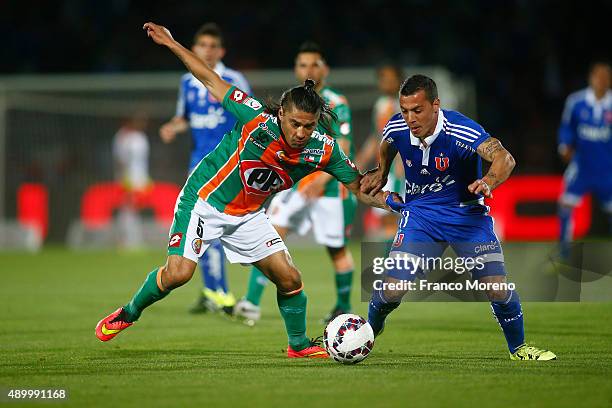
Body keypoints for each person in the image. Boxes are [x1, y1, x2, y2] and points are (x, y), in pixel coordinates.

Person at [95, 22, 395, 359]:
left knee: (290, 278)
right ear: (281, 113)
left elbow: (361, 189)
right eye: (294, 123)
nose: (300, 132)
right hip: (204, 200)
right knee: (179, 273)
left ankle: (297, 346)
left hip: (248, 215)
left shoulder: (323, 150)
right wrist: (172, 43)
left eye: (308, 126)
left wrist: (402, 204)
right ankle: (130, 312)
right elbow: (208, 77)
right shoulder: (254, 118)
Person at [361, 74, 557, 360]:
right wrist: (382, 170)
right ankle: (367, 334)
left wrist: (488, 180)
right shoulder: (396, 126)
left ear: (435, 105)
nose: (410, 118)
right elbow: (387, 143)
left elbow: (505, 158)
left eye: (417, 110)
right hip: (421, 217)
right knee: (393, 290)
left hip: (467, 217)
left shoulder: (460, 130)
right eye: (405, 111)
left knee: (497, 289)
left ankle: (519, 348)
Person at [234, 42, 357, 324]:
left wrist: (323, 179)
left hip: (328, 190)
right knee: (269, 236)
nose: (308, 70)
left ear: (324, 68)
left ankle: (342, 306)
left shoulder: (335, 103)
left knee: (336, 249)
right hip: (297, 185)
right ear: (295, 68)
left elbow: (343, 146)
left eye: (314, 64)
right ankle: (251, 302)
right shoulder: (291, 101)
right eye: (303, 65)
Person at [160, 23, 251, 315]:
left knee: (217, 227)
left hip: (227, 166)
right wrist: (173, 126)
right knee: (201, 229)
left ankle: (218, 291)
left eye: (213, 46)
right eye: (202, 46)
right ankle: (214, 291)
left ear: (221, 51)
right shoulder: (186, 82)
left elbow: (249, 116)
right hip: (197, 165)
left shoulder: (234, 79)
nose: (207, 51)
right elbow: (184, 116)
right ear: (194, 48)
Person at [557, 62, 611, 259]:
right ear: (591, 78)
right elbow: (566, 128)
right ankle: (564, 254)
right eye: (598, 76)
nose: (602, 81)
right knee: (565, 206)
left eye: (606, 77)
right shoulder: (576, 102)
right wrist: (564, 146)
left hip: (608, 170)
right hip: (581, 167)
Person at [356, 63, 405, 242]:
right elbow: (377, 136)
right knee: (387, 220)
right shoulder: (381, 104)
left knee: (394, 218)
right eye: (383, 79)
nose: (386, 83)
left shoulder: (405, 105)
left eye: (390, 79)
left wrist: (402, 163)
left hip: (400, 170)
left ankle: (396, 265)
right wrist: (360, 160)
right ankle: (392, 265)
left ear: (399, 80)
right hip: (385, 170)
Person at [113, 112, 151, 250]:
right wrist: (124, 178)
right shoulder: (123, 137)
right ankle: (127, 239)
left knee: (133, 208)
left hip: (139, 179)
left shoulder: (140, 137)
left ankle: (131, 239)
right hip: (128, 179)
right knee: (129, 208)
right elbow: (120, 160)